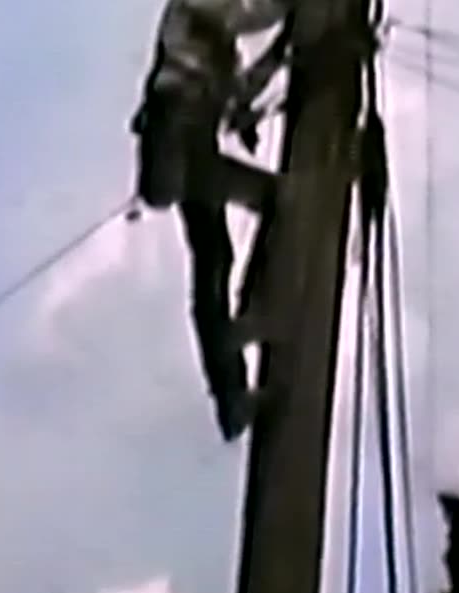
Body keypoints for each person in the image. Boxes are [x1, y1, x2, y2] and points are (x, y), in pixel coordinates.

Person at [130, 0, 294, 442]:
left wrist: (279, 51)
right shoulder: (189, 8)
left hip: (189, 148)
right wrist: (291, 10)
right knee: (274, 202)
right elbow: (242, 15)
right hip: (176, 137)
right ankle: (244, 329)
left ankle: (232, 391)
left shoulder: (220, 51)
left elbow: (239, 94)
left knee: (214, 258)